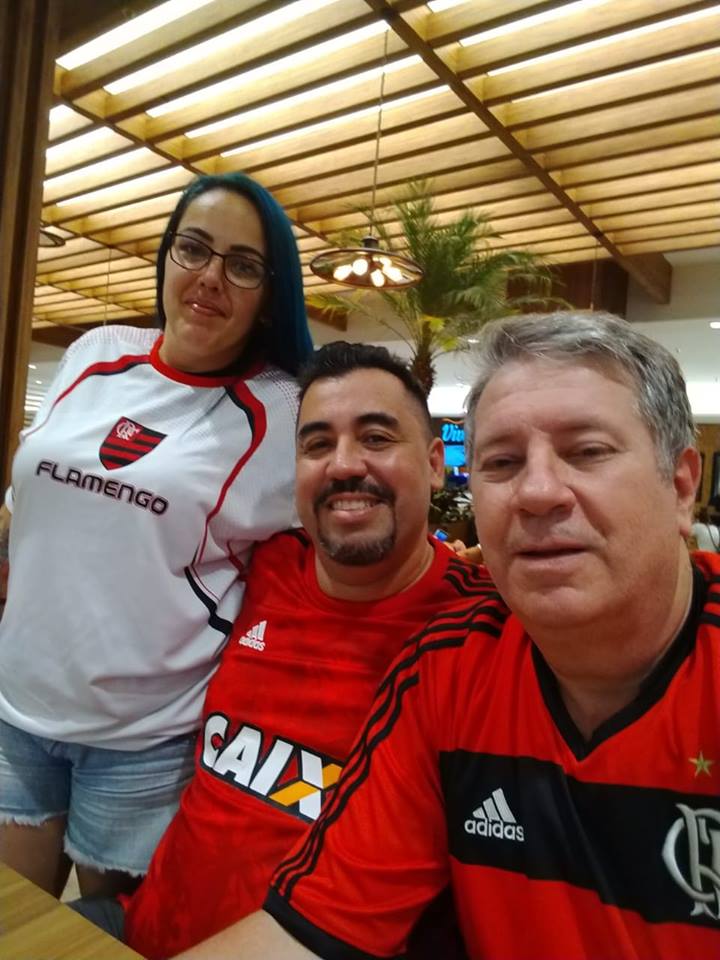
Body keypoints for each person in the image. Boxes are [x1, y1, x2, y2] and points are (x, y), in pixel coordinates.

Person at [175, 312, 720, 960]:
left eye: (587, 452)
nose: (538, 492)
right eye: (503, 462)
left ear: (681, 486)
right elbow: (313, 931)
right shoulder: (448, 667)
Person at [72, 341, 491, 957]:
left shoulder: (485, 631)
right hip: (139, 926)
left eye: (376, 438)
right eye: (317, 445)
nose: (343, 464)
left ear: (434, 464)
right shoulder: (260, 567)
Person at [0, 172, 313, 900]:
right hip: (16, 711)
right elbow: (23, 508)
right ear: (167, 254)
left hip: (146, 742)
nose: (210, 277)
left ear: (270, 294)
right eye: (193, 248)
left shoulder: (282, 411)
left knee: (110, 940)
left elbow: (325, 549)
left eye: (242, 265)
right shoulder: (97, 351)